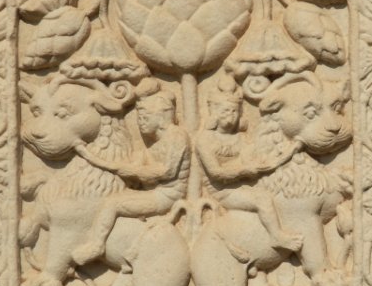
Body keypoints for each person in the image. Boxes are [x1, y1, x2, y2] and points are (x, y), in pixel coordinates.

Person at [73, 87, 190, 265]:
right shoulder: (155, 144)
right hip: (155, 192)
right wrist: (90, 155)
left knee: (113, 203)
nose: (141, 123)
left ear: (161, 117)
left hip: (167, 196)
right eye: (139, 119)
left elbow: (167, 171)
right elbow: (134, 167)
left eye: (145, 118)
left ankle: (97, 245)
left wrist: (134, 171)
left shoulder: (177, 136)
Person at [196, 75, 302, 252]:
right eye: (225, 111)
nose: (230, 116)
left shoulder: (241, 138)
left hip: (245, 183)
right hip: (224, 191)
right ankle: (276, 237)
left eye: (234, 111)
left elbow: (260, 159)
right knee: (262, 199)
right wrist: (245, 170)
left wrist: (288, 151)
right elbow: (216, 173)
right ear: (214, 112)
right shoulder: (205, 139)